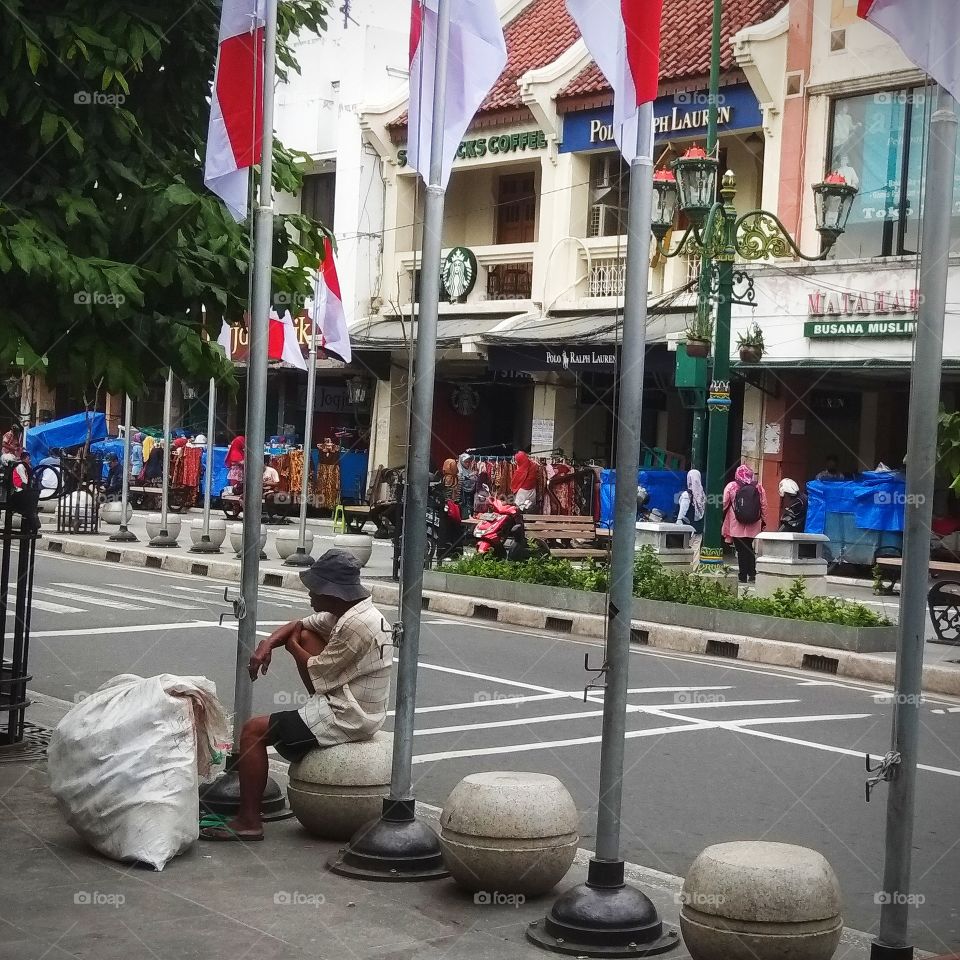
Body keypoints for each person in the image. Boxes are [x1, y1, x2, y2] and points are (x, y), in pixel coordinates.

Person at [199, 550, 391, 842]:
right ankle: (303, 725)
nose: (310, 597)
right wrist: (268, 644)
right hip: (347, 697)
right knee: (302, 634)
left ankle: (249, 820)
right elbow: (298, 625)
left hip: (349, 715)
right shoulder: (354, 611)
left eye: (314, 591)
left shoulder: (357, 626)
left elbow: (317, 669)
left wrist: (289, 647)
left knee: (252, 731)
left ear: (333, 593)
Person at [722, 463, 767, 585]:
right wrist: (763, 520)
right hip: (753, 523)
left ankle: (742, 576)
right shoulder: (758, 487)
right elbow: (764, 506)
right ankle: (752, 574)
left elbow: (724, 503)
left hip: (736, 523)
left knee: (741, 549)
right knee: (749, 548)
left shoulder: (732, 486)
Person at [676, 468, 706, 556]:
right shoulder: (702, 494)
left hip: (688, 527)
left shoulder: (686, 495)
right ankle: (695, 567)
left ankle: (687, 567)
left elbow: (682, 513)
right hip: (698, 527)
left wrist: (678, 524)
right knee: (696, 549)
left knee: (686, 548)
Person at [457, 453, 478, 519]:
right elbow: (460, 479)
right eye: (465, 462)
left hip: (470, 494)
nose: (468, 464)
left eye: (469, 462)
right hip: (462, 494)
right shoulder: (459, 470)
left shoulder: (469, 470)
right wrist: (469, 476)